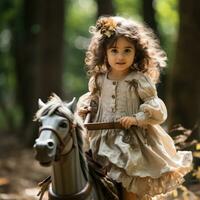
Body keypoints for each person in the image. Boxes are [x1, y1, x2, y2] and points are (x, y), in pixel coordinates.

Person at [76, 16, 193, 200]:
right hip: (101, 140)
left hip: (131, 143)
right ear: (104, 53)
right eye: (114, 50)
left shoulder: (138, 80)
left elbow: (154, 108)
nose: (120, 56)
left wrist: (137, 118)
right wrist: (86, 109)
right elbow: (94, 101)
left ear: (136, 53)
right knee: (90, 181)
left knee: (129, 188)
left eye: (127, 50)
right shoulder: (99, 79)